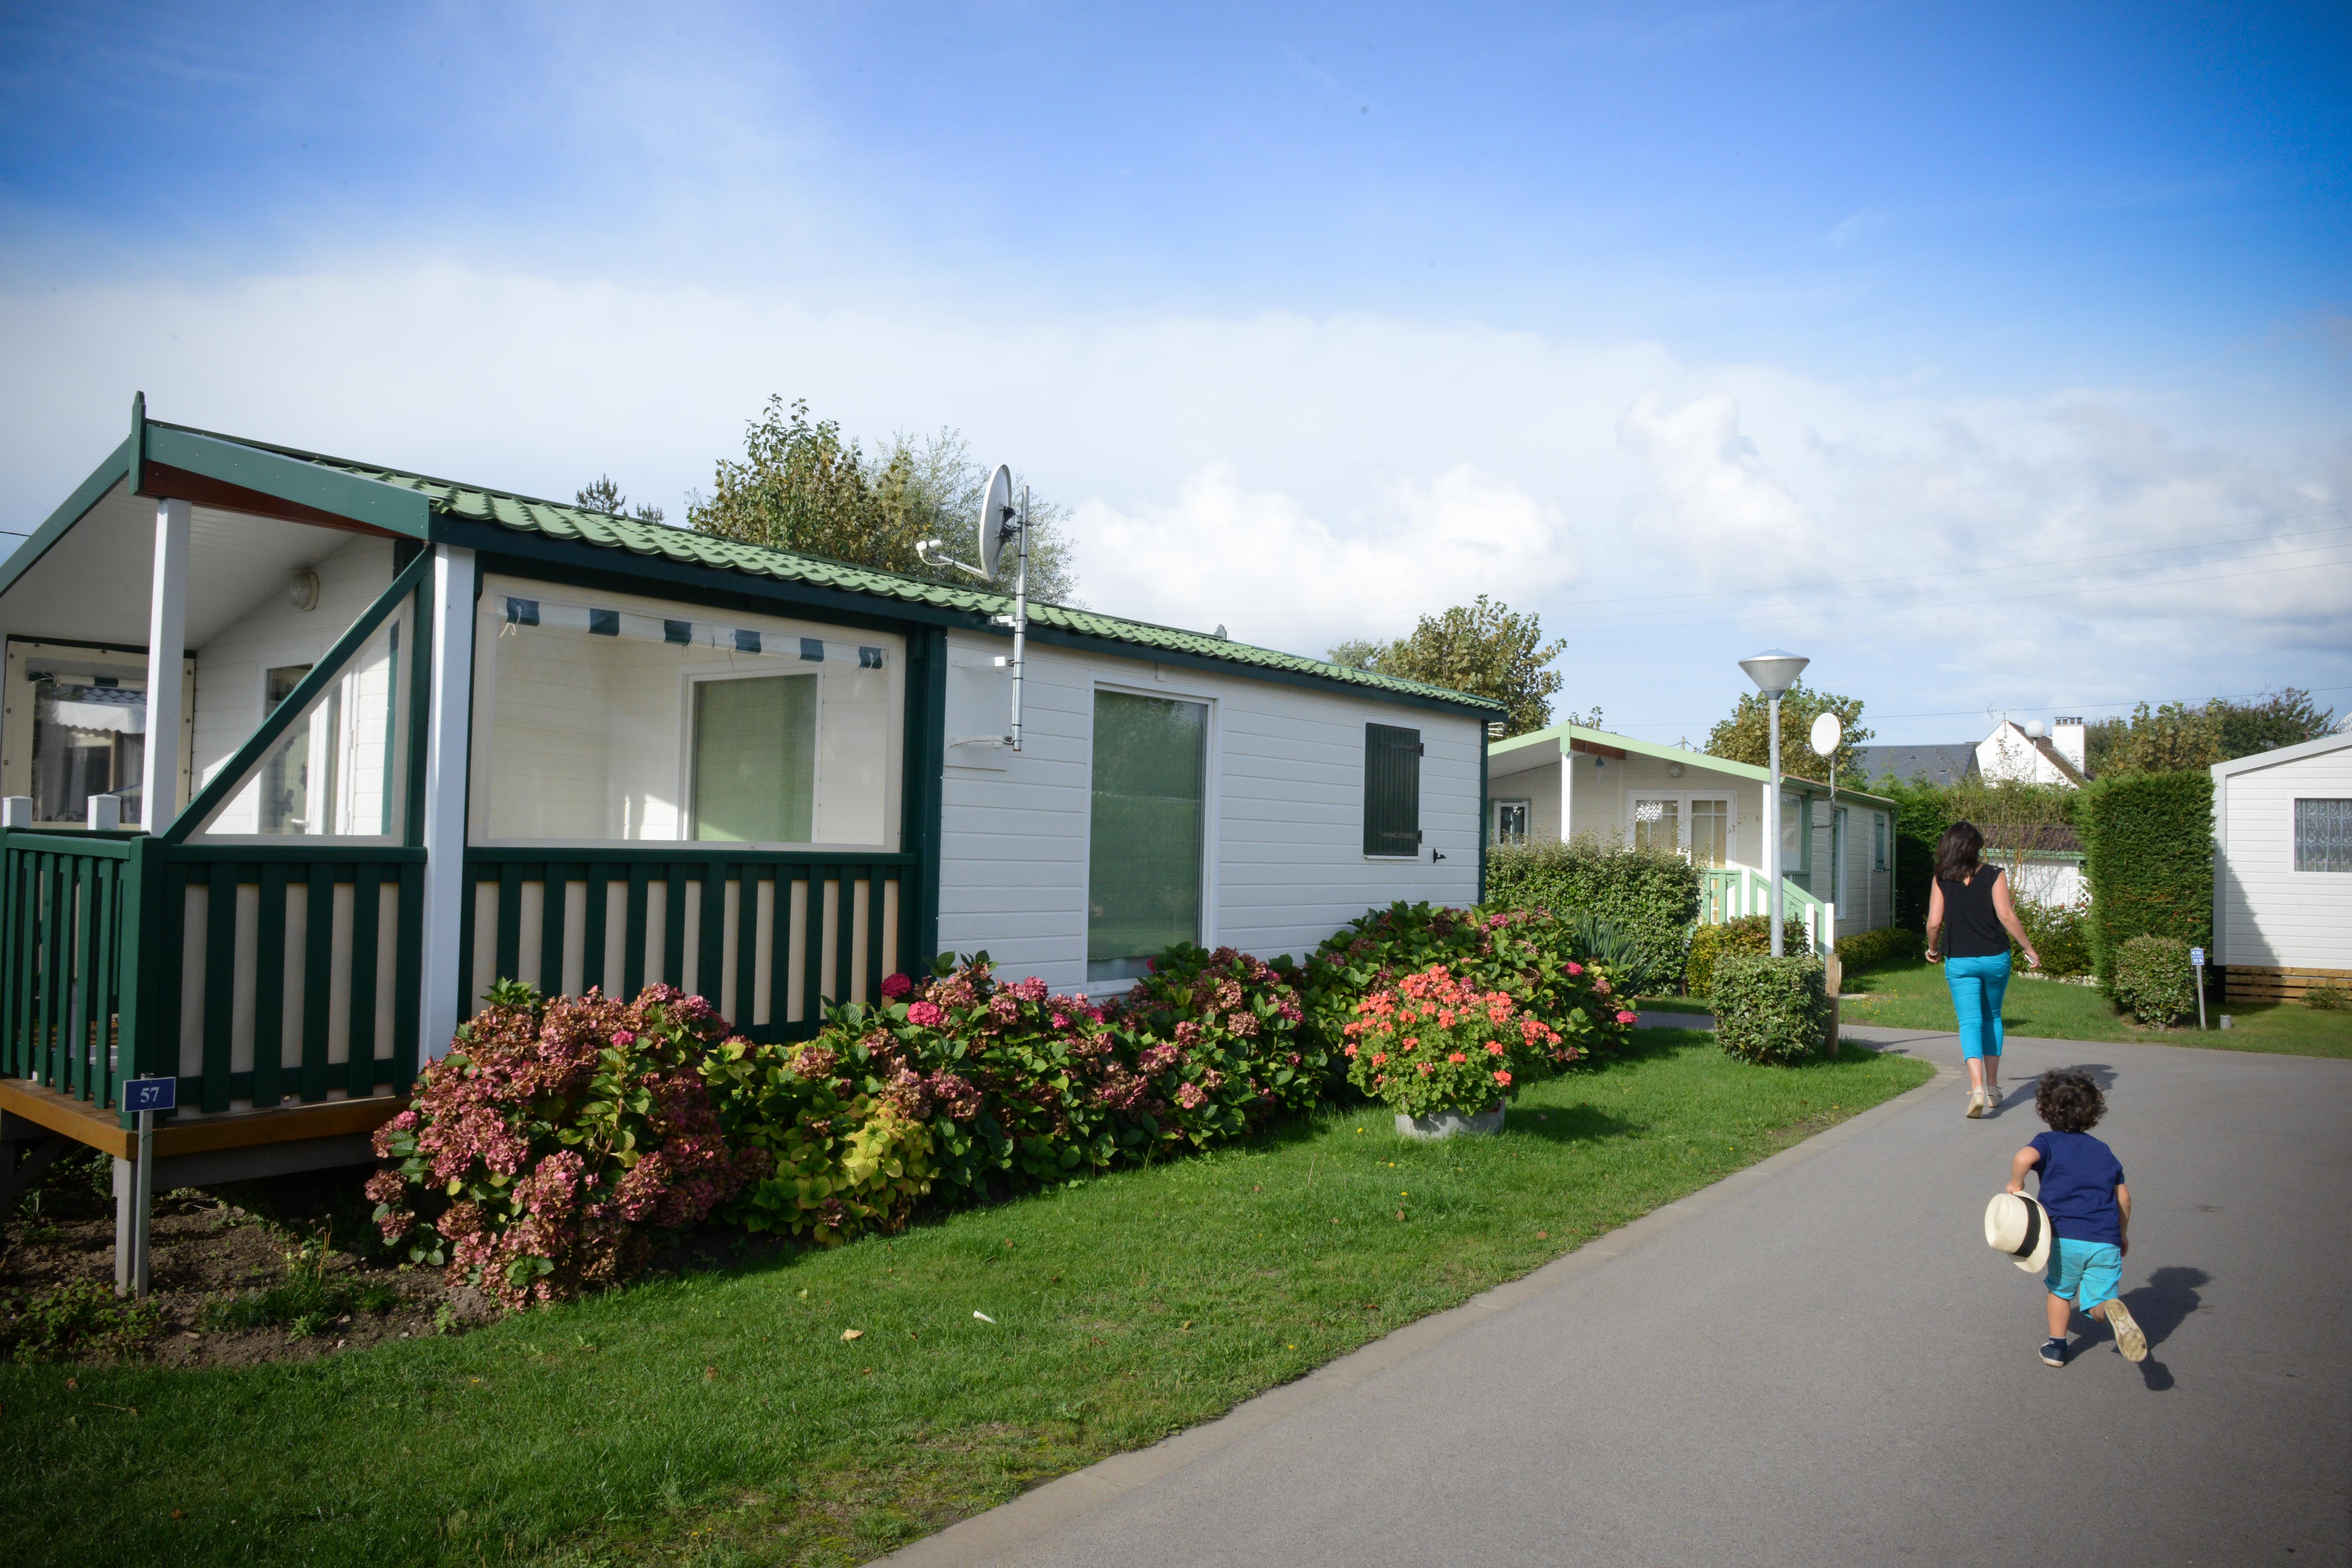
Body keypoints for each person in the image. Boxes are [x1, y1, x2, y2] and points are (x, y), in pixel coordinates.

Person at [2007, 1068, 2146, 1367]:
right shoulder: (2103, 1151)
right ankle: (2110, 1311)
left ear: (2046, 1110)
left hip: (2065, 1237)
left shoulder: (2048, 1142)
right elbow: (2124, 1198)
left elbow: (2023, 1158)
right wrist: (2121, 1234)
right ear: (2092, 1112)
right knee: (2098, 1300)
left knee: (2061, 1291)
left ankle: (2057, 1349)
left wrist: (2016, 1186)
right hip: (2105, 1240)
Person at [1923, 821, 2038, 1118]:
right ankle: (1992, 1088)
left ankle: (1976, 1088)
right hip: (1995, 957)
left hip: (1960, 960)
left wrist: (1933, 950)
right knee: (1993, 1017)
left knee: (1970, 1022)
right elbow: (2006, 915)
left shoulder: (1941, 878)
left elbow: (1934, 923)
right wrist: (2028, 947)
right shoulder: (1994, 874)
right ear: (1976, 847)